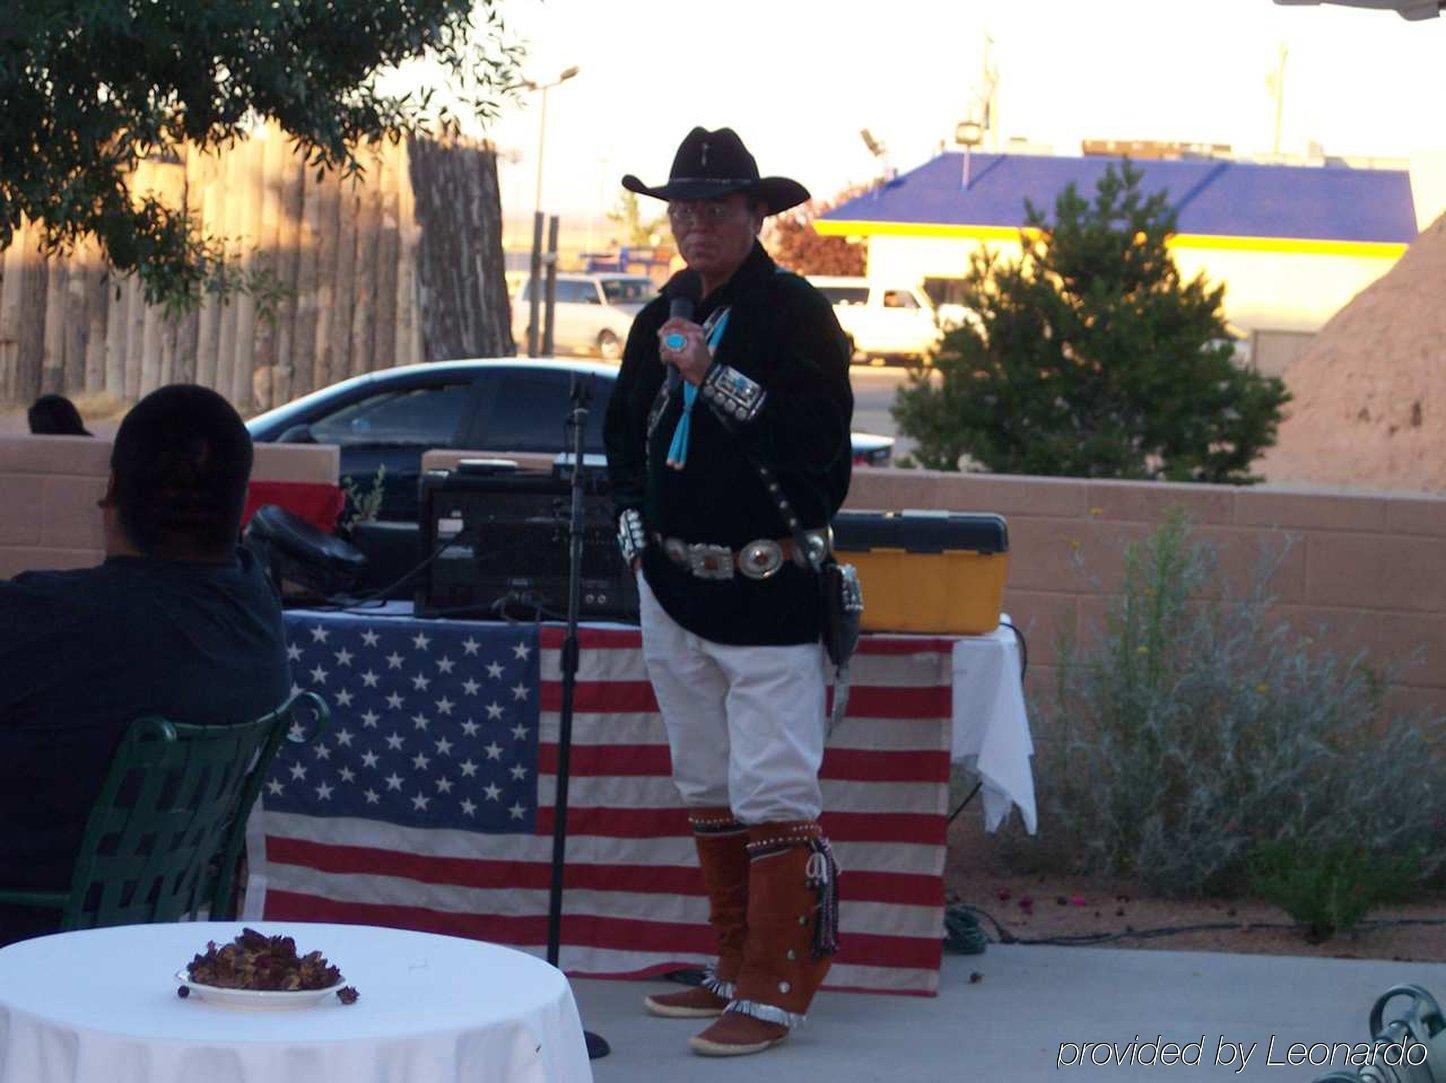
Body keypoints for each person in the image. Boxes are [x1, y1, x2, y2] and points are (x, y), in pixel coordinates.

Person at [603, 127, 854, 1057]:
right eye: (682, 207)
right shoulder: (656, 318)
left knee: (773, 785)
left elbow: (819, 453)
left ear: (757, 216)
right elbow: (622, 440)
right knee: (706, 778)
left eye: (715, 208)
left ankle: (775, 985)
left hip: (767, 584)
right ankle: (732, 958)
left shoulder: (796, 316)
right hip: (670, 584)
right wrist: (636, 541)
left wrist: (715, 376)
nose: (695, 224)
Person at [0, 384, 291, 944]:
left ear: (110, 491)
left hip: (28, 933)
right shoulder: (253, 607)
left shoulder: (62, 624)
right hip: (137, 936)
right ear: (240, 508)